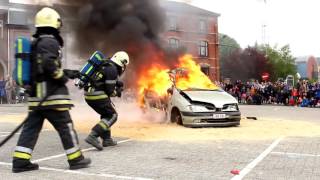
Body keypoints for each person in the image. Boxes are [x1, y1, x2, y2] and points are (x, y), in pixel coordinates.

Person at [12, 7, 91, 173]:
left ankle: (20, 161)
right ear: (54, 23)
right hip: (52, 97)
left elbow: (42, 67)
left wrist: (68, 72)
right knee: (66, 127)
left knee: (31, 129)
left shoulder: (37, 43)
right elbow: (49, 65)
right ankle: (76, 159)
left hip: (36, 98)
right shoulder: (50, 41)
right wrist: (61, 77)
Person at [84, 51, 129, 151]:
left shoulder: (105, 64)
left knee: (106, 114)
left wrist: (117, 83)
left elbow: (102, 80)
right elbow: (109, 91)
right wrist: (118, 92)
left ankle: (107, 139)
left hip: (89, 95)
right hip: (97, 95)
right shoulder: (112, 69)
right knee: (112, 115)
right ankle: (93, 135)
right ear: (123, 63)